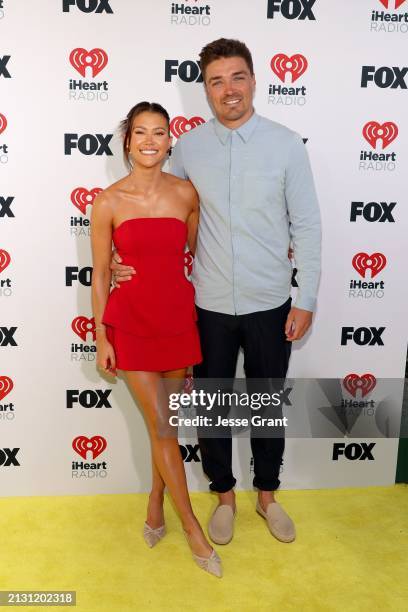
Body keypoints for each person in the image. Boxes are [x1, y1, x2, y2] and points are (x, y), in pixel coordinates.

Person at [112, 39, 321, 547]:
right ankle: (224, 496)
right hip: (204, 303)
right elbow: (159, 207)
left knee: (267, 401)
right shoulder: (187, 149)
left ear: (254, 80)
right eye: (217, 81)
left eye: (237, 77)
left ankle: (267, 495)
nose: (228, 90)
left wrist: (306, 295)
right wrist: (121, 259)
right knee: (212, 405)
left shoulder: (287, 144)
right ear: (205, 89)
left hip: (271, 299)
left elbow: (308, 225)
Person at [91, 101, 222, 578]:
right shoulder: (107, 200)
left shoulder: (187, 194)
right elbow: (101, 274)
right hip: (130, 325)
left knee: (160, 426)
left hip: (177, 322)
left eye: (160, 132)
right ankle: (191, 527)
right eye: (141, 132)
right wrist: (102, 335)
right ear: (127, 141)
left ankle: (154, 502)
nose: (150, 140)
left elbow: (199, 253)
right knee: (165, 427)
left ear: (171, 141)